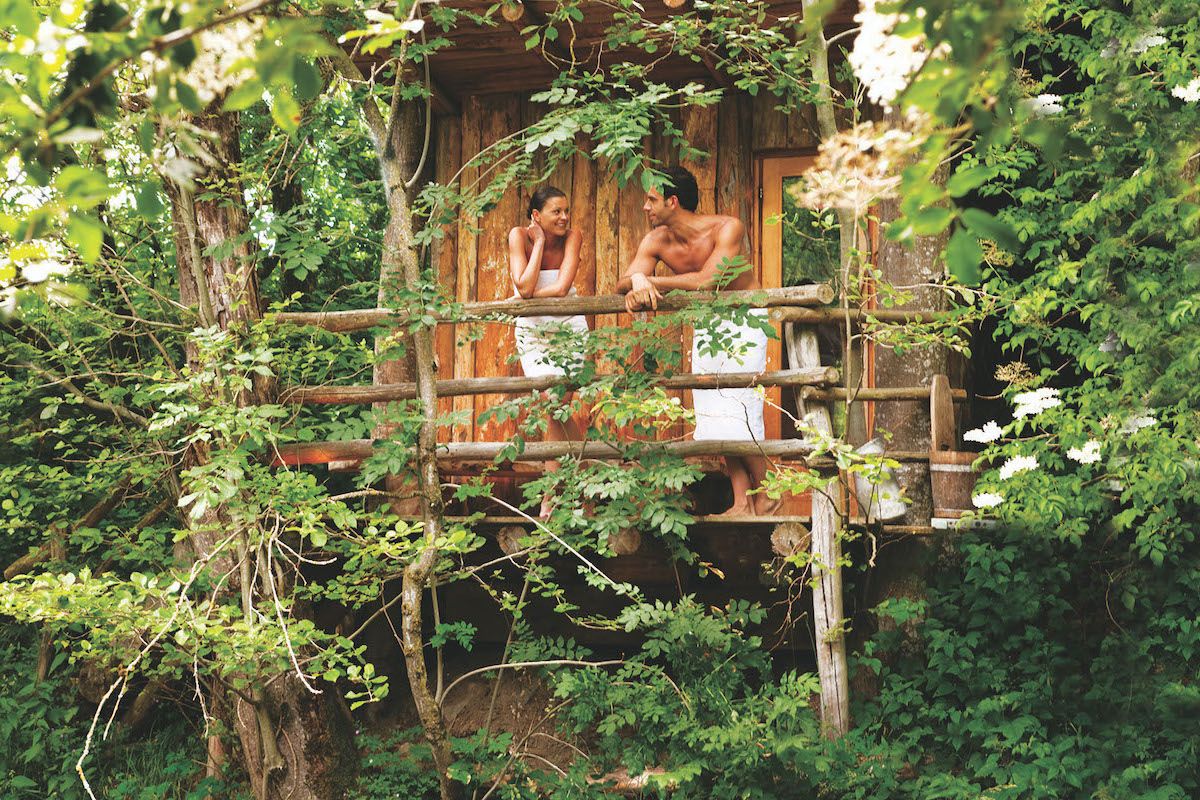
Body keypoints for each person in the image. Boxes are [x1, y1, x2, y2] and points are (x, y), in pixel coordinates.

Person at [616, 166, 777, 516]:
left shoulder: (726, 227)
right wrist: (637, 280)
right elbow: (622, 282)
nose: (646, 207)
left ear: (673, 202)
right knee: (713, 409)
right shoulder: (656, 239)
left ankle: (769, 491)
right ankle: (741, 501)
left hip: (743, 317)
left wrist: (652, 282)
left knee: (738, 401)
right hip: (706, 323)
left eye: (652, 199)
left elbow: (707, 280)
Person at [508, 185, 590, 518]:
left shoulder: (574, 236)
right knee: (551, 405)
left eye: (566, 210)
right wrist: (538, 243)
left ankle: (553, 494)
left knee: (558, 406)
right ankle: (578, 483)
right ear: (536, 216)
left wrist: (527, 298)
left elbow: (558, 288)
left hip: (569, 326)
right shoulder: (519, 236)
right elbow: (524, 285)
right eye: (556, 211)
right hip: (533, 332)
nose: (564, 217)